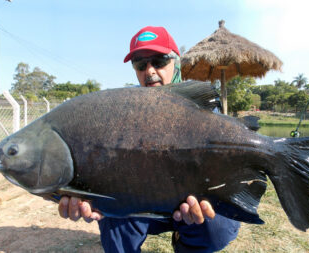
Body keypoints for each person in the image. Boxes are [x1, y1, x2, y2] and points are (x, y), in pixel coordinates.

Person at [57, 26, 240, 253]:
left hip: (189, 203)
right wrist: (83, 193)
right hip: (138, 203)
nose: (150, 70)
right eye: (140, 64)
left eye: (159, 60)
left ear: (176, 61)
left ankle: (185, 243)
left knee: (218, 226)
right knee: (113, 210)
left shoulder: (200, 104)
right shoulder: (121, 109)